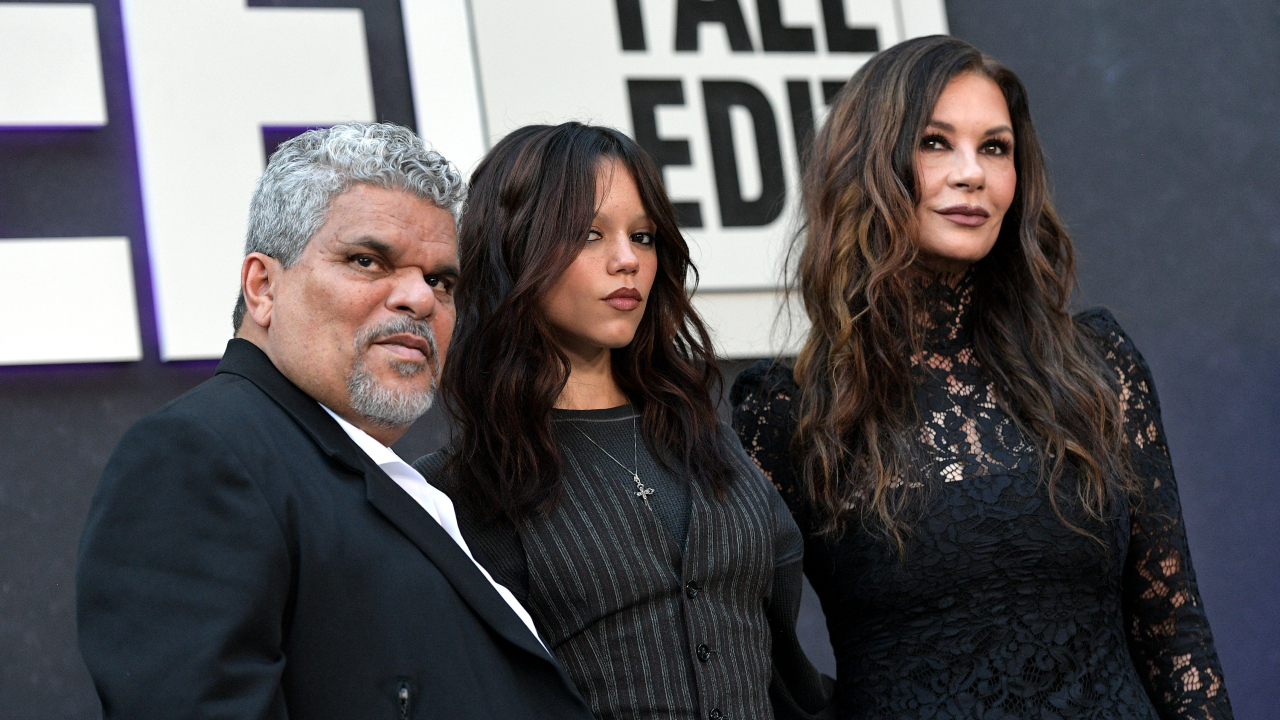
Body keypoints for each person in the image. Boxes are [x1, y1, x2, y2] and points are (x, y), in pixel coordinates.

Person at [731, 36, 1233, 720]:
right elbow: (740, 654)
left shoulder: (1097, 364)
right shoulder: (786, 412)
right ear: (868, 164)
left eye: (995, 147)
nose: (972, 173)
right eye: (936, 142)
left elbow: (1174, 635)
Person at [77, 122, 593, 719]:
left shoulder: (387, 480)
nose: (420, 300)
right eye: (368, 260)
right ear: (263, 287)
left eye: (440, 280)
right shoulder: (199, 456)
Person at [412, 122, 831, 720]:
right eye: (588, 234)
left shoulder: (712, 443)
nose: (627, 260)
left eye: (643, 235)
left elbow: (788, 676)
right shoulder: (455, 494)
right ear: (515, 247)